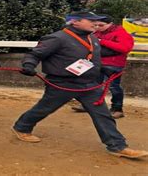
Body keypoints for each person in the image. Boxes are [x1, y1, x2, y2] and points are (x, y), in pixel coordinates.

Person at [12, 11, 148, 159]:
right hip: (62, 84)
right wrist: (28, 65)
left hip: (89, 85)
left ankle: (117, 146)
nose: (95, 23)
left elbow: (91, 58)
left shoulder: (93, 38)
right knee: (44, 109)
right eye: (90, 20)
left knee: (103, 115)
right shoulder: (58, 38)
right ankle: (22, 127)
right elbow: (34, 54)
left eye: (96, 21)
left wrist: (103, 68)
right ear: (75, 22)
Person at [72, 15, 134, 119]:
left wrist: (102, 41)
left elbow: (125, 48)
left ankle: (117, 109)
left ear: (110, 24)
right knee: (92, 85)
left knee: (114, 87)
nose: (98, 27)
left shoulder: (121, 33)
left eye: (101, 25)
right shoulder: (96, 33)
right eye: (96, 25)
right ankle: (90, 105)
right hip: (98, 63)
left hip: (114, 65)